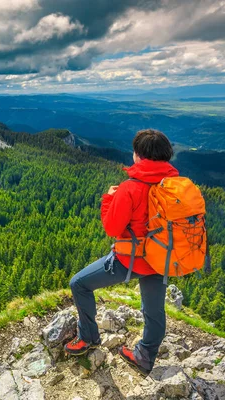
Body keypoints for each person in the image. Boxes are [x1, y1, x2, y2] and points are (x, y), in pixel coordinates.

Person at [65, 129, 178, 376]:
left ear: (138, 156)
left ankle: (88, 338)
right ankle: (145, 357)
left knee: (79, 284)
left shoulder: (130, 187)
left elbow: (112, 227)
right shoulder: (174, 184)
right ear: (166, 155)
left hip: (131, 260)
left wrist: (109, 197)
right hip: (162, 258)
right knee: (154, 311)